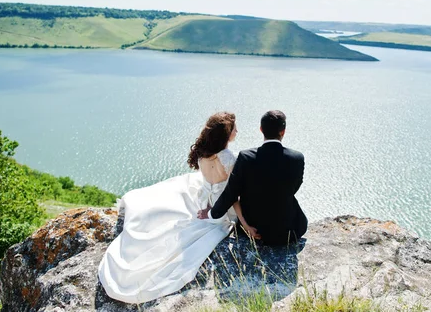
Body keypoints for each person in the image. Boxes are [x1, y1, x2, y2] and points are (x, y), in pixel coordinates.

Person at [98, 112, 252, 303]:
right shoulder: (229, 157)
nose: (237, 131)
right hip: (221, 209)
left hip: (204, 201)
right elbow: (232, 195)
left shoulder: (203, 153)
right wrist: (244, 221)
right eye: (234, 128)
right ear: (226, 133)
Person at [198, 110, 307, 246]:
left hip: (252, 228)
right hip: (288, 231)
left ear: (261, 130)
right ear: (283, 131)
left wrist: (211, 214)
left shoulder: (246, 157)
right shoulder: (297, 158)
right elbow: (294, 187)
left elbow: (231, 193)